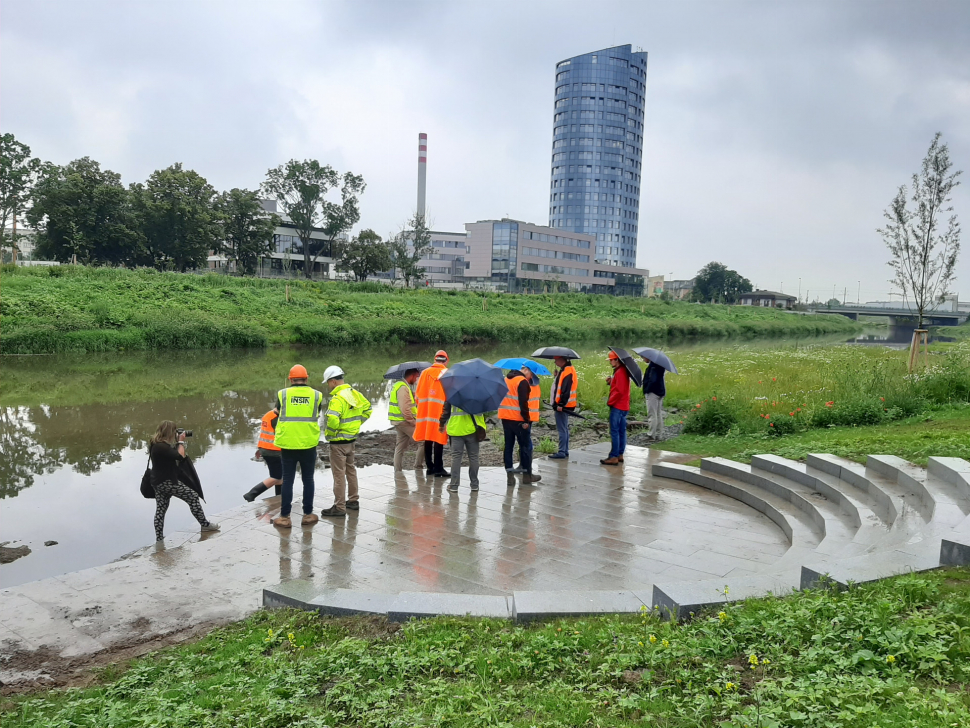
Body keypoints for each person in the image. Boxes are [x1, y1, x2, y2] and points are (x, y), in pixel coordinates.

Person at [149, 420, 219, 541]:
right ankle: (205, 525)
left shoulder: (157, 444)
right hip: (167, 482)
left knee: (161, 509)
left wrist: (177, 442)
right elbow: (180, 457)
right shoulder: (162, 447)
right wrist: (180, 441)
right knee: (192, 496)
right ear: (170, 432)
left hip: (158, 482)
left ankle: (159, 538)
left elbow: (173, 456)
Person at [272, 364, 323, 528]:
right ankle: (308, 514)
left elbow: (276, 412)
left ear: (290, 379)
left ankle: (285, 517)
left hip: (288, 443)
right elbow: (317, 414)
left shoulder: (283, 394)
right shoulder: (317, 395)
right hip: (308, 443)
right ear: (306, 378)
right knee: (308, 479)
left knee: (288, 480)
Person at [320, 366, 372, 518]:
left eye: (328, 382)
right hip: (352, 439)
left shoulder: (337, 399)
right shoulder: (355, 394)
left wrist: (330, 435)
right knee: (351, 470)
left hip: (338, 443)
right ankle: (353, 501)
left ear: (334, 381)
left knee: (338, 475)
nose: (328, 385)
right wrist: (356, 425)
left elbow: (333, 420)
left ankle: (339, 506)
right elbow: (368, 409)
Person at [499, 364, 541, 486]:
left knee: (508, 447)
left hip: (505, 418)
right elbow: (524, 403)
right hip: (518, 420)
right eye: (531, 373)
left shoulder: (506, 379)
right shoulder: (522, 382)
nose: (531, 376)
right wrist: (526, 420)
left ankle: (510, 477)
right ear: (526, 370)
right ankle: (527, 476)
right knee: (525, 447)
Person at [413, 350, 450, 477]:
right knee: (439, 440)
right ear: (446, 360)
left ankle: (429, 467)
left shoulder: (424, 373)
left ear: (435, 359)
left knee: (428, 439)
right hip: (440, 414)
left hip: (425, 414)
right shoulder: (447, 373)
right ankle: (439, 468)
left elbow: (417, 395)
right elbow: (450, 395)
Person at [438, 402, 486, 493]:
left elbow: (446, 412)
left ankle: (454, 486)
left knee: (456, 458)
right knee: (474, 457)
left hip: (456, 430)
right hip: (472, 430)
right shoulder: (478, 395)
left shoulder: (453, 393)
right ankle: (474, 485)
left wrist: (441, 424)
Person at [243, 404, 283, 501]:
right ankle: (251, 494)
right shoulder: (277, 419)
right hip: (274, 450)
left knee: (280, 476)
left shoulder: (268, 414)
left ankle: (279, 496)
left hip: (265, 448)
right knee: (276, 477)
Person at [601, 351, 630, 466]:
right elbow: (619, 386)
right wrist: (611, 382)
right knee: (621, 431)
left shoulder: (620, 372)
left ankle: (614, 456)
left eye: (611, 360)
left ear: (617, 360)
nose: (610, 362)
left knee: (615, 431)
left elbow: (619, 391)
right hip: (624, 406)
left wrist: (610, 402)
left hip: (618, 406)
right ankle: (619, 454)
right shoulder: (622, 371)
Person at [389, 368, 421, 472]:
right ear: (411, 376)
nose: (416, 379)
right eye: (416, 377)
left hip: (398, 421)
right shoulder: (403, 388)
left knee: (400, 446)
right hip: (404, 421)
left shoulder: (400, 386)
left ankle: (397, 470)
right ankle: (418, 467)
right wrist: (412, 421)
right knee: (423, 442)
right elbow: (404, 409)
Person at [548, 355, 578, 459]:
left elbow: (566, 389)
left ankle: (562, 451)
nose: (555, 362)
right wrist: (557, 376)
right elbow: (562, 385)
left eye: (556, 360)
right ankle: (565, 450)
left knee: (562, 429)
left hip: (563, 405)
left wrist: (560, 404)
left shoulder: (567, 371)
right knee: (564, 428)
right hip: (566, 404)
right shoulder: (565, 370)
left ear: (562, 360)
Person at [643, 360, 666, 440]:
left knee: (652, 414)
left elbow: (653, 380)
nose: (642, 358)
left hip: (653, 392)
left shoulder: (653, 367)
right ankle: (659, 434)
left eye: (643, 357)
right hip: (660, 391)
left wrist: (647, 389)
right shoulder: (661, 365)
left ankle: (651, 434)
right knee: (658, 414)